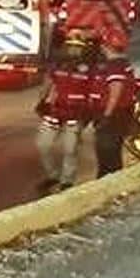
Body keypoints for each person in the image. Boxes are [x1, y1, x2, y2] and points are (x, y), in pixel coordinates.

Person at [34, 31, 94, 193]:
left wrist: (91, 112)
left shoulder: (89, 68)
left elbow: (93, 91)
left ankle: (67, 181)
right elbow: (48, 82)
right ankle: (52, 175)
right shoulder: (58, 65)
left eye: (77, 48)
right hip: (55, 111)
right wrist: (42, 100)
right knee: (43, 145)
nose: (74, 51)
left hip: (76, 113)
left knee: (70, 149)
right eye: (71, 47)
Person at [92, 27, 137, 177]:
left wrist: (106, 115)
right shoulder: (125, 63)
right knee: (114, 153)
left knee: (107, 155)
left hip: (113, 116)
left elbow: (115, 91)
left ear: (105, 46)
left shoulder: (114, 66)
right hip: (123, 114)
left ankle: (105, 186)